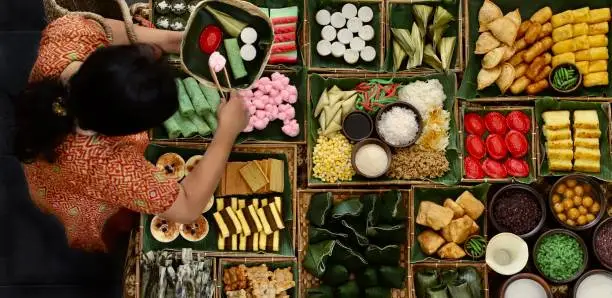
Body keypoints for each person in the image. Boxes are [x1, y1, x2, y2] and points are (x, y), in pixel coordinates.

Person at [14, 14, 249, 252]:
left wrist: (174, 40)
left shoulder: (68, 32)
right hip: (71, 183)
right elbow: (187, 208)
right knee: (112, 220)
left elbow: (110, 32)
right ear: (122, 132)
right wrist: (227, 132)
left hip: (44, 131)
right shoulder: (103, 165)